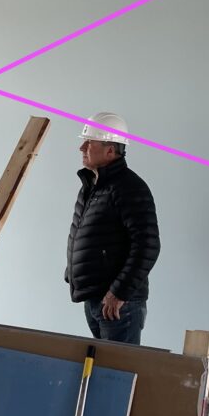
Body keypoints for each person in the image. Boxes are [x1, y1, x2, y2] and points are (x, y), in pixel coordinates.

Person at [64, 111, 160, 345]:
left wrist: (119, 293)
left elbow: (148, 245)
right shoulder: (92, 187)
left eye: (89, 142)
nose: (81, 148)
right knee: (103, 365)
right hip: (96, 299)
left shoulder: (129, 188)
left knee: (117, 366)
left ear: (110, 150)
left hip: (117, 305)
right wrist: (74, 273)